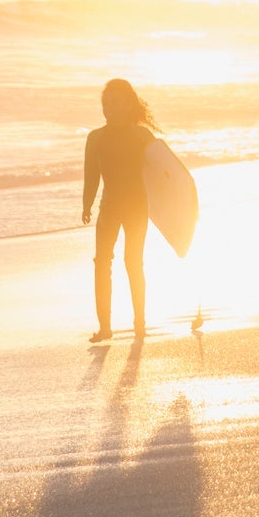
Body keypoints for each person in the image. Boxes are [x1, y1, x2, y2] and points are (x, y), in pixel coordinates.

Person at [82, 78, 159, 342]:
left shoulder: (142, 136)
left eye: (114, 103)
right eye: (105, 104)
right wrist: (86, 204)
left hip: (137, 207)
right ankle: (105, 327)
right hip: (109, 207)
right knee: (101, 263)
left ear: (128, 105)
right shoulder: (95, 139)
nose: (108, 108)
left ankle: (140, 323)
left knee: (133, 262)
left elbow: (162, 171)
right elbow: (91, 175)